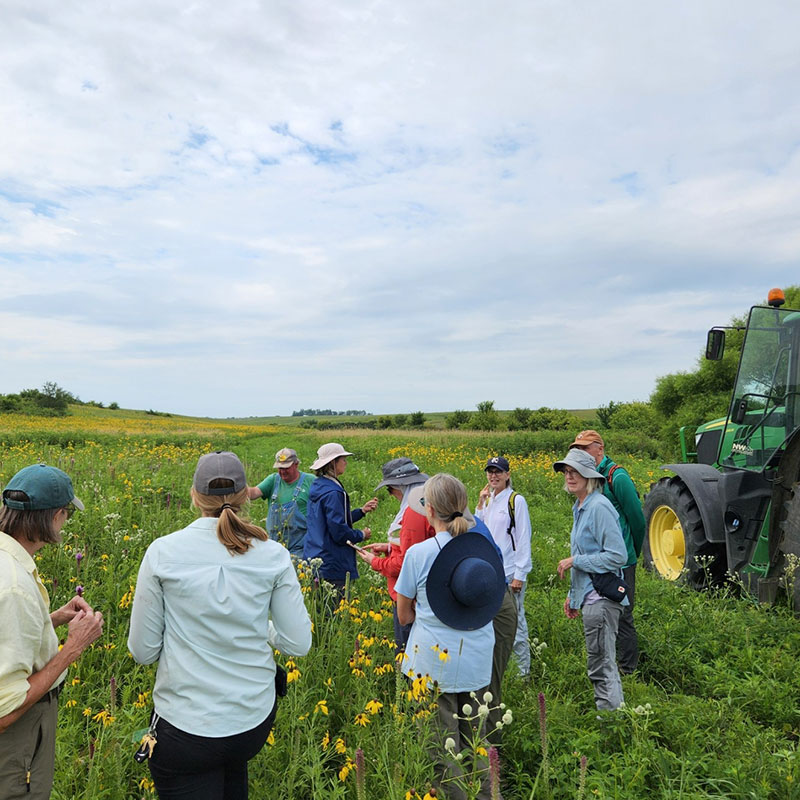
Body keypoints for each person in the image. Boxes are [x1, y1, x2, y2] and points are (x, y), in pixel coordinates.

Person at [128, 451, 312, 800]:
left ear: (194, 496)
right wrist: (263, 629)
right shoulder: (272, 554)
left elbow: (143, 651)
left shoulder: (162, 552)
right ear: (246, 496)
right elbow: (297, 643)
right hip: (251, 724)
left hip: (187, 727)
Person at [395, 474, 505, 800]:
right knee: (476, 743)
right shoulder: (485, 551)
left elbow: (403, 615)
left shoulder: (419, 554)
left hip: (432, 664)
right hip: (477, 658)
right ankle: (488, 796)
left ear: (429, 510)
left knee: (443, 749)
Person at [0, 464, 104, 800]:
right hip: (14, 745)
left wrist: (52, 619)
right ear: (56, 516)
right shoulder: (15, 585)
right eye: (66, 514)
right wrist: (73, 647)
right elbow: (4, 711)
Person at [554, 449, 628, 711]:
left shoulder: (598, 507)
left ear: (589, 476)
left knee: (601, 664)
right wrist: (573, 597)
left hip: (603, 599)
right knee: (600, 661)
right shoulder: (581, 506)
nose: (570, 477)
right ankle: (613, 718)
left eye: (576, 472)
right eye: (567, 472)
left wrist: (576, 561)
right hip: (590, 597)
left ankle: (611, 725)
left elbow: (618, 555)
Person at [569, 430, 645, 674]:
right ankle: (610, 661)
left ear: (600, 449)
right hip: (598, 559)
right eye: (577, 449)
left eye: (585, 448)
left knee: (623, 612)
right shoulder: (586, 479)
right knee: (606, 610)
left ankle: (627, 667)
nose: (581, 453)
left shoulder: (617, 477)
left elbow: (637, 518)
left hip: (620, 559)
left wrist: (633, 550)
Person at [354, 457, 431, 651]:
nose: (391, 494)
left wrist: (375, 562)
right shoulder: (426, 504)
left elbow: (407, 563)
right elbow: (419, 547)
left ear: (401, 486)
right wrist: (389, 548)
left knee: (407, 653)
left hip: (409, 598)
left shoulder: (414, 512)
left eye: (390, 489)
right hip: (420, 594)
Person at [475, 456, 532, 677]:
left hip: (510, 574)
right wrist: (480, 504)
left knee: (516, 625)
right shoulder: (488, 499)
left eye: (498, 471)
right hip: (490, 572)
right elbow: (478, 528)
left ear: (508, 475)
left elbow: (524, 539)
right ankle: (499, 670)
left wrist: (520, 575)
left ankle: (522, 674)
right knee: (492, 624)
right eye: (490, 471)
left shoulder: (516, 501)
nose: (493, 475)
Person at [302, 443, 378, 597]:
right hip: (333, 562)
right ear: (332, 463)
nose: (346, 462)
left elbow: (327, 520)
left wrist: (361, 512)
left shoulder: (318, 485)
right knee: (335, 612)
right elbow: (339, 532)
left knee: (319, 611)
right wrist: (361, 535)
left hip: (314, 557)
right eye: (343, 459)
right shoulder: (334, 492)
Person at [247, 448, 314, 558]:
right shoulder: (273, 480)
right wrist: (236, 484)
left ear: (296, 464)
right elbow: (253, 493)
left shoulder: (310, 481)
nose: (282, 471)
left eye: (286, 468)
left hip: (301, 548)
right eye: (280, 468)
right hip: (275, 547)